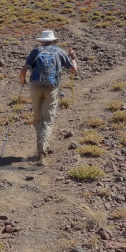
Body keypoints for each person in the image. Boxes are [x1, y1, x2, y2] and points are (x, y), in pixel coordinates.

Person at [19, 30, 77, 164]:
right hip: (52, 88)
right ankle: (41, 150)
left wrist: (22, 82)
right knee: (48, 120)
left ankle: (40, 146)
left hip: (35, 87)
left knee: (37, 118)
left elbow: (23, 70)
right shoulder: (60, 52)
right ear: (54, 41)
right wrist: (73, 57)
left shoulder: (36, 51)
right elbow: (74, 71)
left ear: (41, 41)